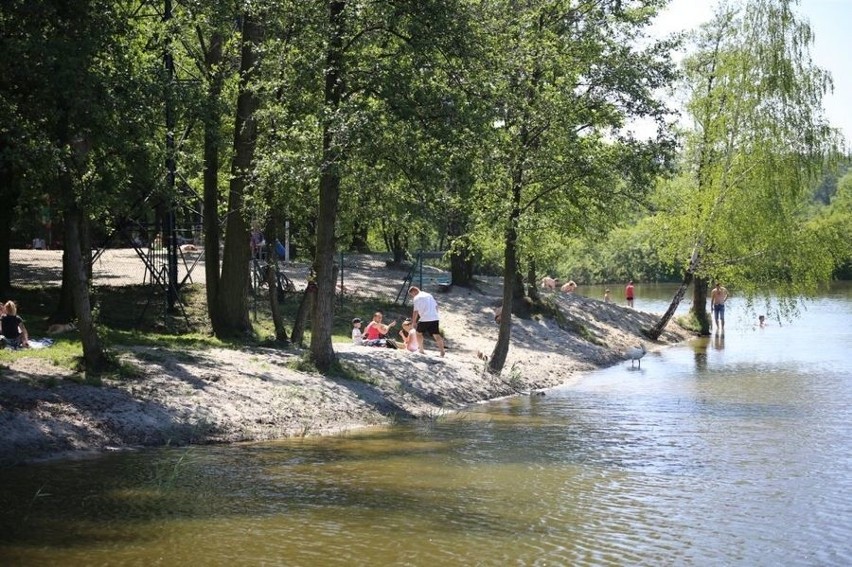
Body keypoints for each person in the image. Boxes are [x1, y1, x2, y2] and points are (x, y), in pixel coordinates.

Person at [408, 285, 445, 357]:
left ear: (414, 291)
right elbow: (436, 306)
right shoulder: (429, 295)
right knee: (436, 334)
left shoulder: (416, 297)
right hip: (434, 317)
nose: (412, 296)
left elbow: (415, 311)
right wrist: (435, 315)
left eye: (412, 294)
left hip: (425, 318)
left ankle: (421, 350)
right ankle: (442, 351)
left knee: (418, 333)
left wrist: (414, 322)